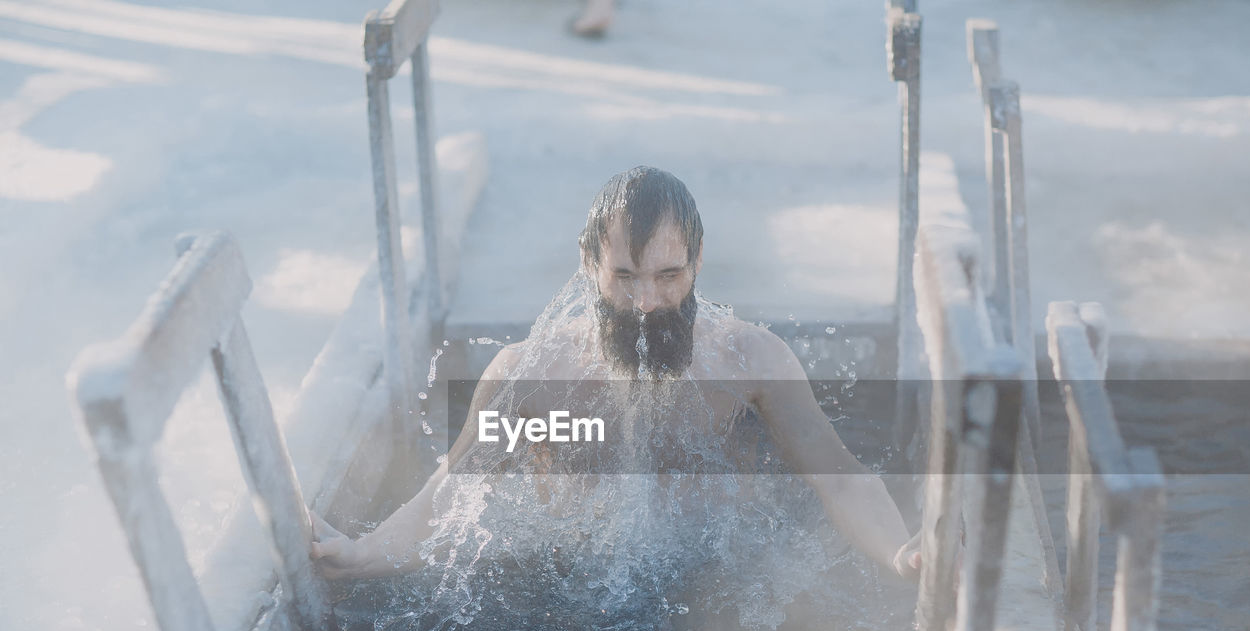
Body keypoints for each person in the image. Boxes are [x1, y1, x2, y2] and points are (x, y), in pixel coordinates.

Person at [311, 166, 923, 583]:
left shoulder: (749, 364)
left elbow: (842, 479)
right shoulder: (533, 377)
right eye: (625, 276)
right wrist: (362, 555)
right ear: (589, 265)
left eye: (669, 275)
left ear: (699, 261)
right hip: (576, 591)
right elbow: (454, 488)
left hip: (721, 584)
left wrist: (901, 556)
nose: (648, 302)